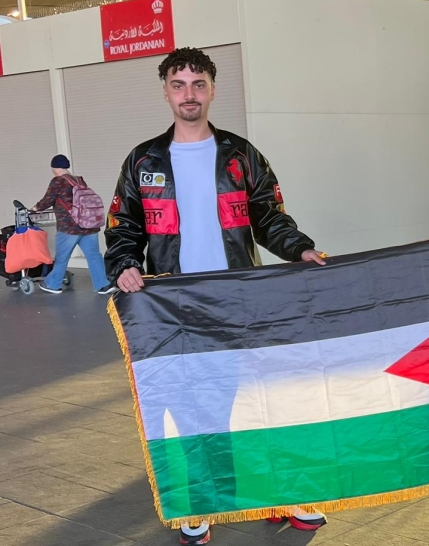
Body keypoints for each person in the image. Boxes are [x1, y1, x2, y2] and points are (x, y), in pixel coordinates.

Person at [103, 47, 327, 545]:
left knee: (260, 402)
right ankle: (202, 501)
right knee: (193, 408)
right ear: (166, 92)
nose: (189, 94)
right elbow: (123, 226)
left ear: (212, 90)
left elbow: (270, 217)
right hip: (175, 305)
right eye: (179, 85)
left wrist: (300, 249)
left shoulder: (241, 155)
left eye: (198, 84)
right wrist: (124, 265)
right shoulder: (143, 160)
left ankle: (279, 494)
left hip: (239, 300)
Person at [32, 154, 113, 295]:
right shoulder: (79, 180)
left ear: (54, 168)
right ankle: (103, 285)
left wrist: (35, 208)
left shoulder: (57, 181)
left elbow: (47, 200)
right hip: (88, 225)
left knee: (62, 257)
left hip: (69, 227)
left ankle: (53, 284)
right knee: (94, 255)